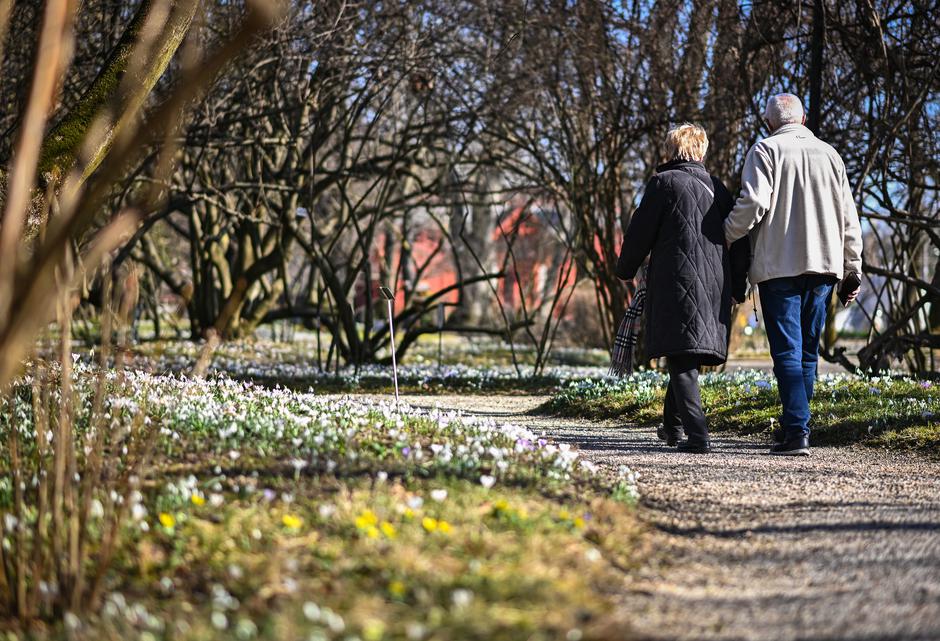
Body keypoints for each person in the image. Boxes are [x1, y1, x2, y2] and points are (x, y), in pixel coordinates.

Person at [724, 93, 863, 456]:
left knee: (787, 351)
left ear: (769, 122)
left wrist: (725, 234)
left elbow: (754, 203)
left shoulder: (766, 150)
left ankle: (797, 430)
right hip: (824, 265)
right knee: (807, 353)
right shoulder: (830, 155)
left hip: (778, 266)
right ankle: (793, 426)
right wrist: (853, 267)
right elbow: (849, 217)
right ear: (802, 120)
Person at [617, 123, 749, 454]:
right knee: (685, 351)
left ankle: (698, 434)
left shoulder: (662, 184)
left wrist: (625, 269)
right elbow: (741, 238)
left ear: (670, 150)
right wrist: (738, 283)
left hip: (676, 281)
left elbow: (639, 232)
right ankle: (673, 427)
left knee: (680, 355)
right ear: (701, 151)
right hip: (715, 282)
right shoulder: (717, 189)